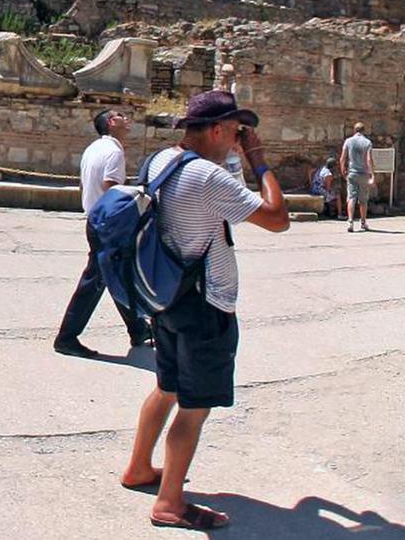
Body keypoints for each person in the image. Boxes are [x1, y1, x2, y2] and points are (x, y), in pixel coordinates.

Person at [121, 90, 290, 532]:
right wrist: (259, 160)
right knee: (193, 408)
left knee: (167, 387)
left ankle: (139, 466)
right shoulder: (208, 179)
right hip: (204, 306)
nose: (238, 140)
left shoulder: (161, 160)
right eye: (235, 132)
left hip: (167, 296)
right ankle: (169, 504)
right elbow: (277, 217)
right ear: (216, 130)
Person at [56, 108, 150, 357]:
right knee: (96, 280)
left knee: (117, 273)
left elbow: (83, 185)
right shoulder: (114, 150)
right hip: (108, 224)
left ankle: (139, 330)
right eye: (121, 115)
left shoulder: (93, 149)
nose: (126, 118)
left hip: (95, 219)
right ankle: (66, 338)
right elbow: (111, 188)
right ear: (111, 122)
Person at [341, 120, 374, 231]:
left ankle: (350, 222)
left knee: (351, 197)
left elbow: (343, 158)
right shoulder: (368, 142)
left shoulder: (348, 141)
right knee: (363, 200)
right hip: (364, 174)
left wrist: (343, 170)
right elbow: (369, 159)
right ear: (364, 131)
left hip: (352, 172)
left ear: (354, 130)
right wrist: (372, 174)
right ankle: (363, 222)